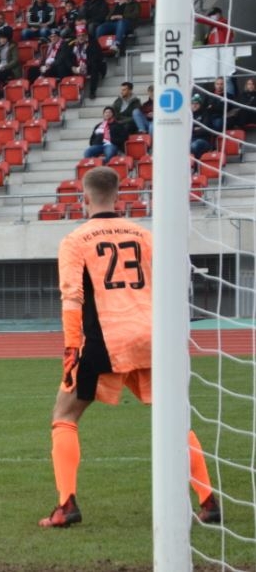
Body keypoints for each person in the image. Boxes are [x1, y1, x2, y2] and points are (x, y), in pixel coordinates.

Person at [41, 166, 222, 528]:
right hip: (152, 337)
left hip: (104, 340)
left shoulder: (75, 240)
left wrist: (71, 348)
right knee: (174, 418)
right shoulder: (144, 235)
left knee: (64, 416)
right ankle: (208, 500)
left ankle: (66, 504)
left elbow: (72, 297)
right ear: (119, 196)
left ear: (85, 198)